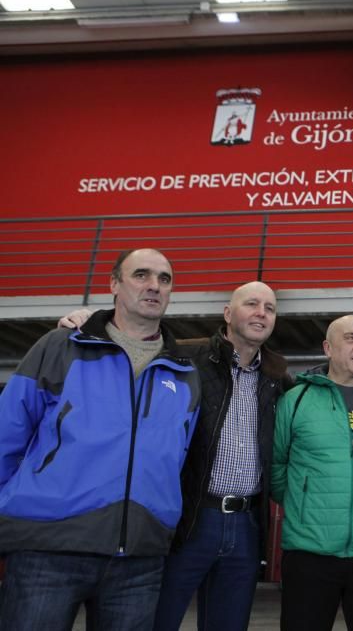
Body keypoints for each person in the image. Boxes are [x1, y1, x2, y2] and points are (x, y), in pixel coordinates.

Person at [57, 282, 292, 631]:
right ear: (228, 314)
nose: (261, 313)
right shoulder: (183, 357)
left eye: (270, 308)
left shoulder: (278, 380)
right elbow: (132, 346)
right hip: (189, 519)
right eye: (252, 304)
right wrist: (89, 320)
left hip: (246, 524)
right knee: (157, 621)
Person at [0, 249, 200, 630]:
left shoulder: (185, 372)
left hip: (140, 561)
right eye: (141, 275)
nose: (154, 286)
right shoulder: (60, 347)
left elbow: (181, 456)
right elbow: (7, 433)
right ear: (113, 284)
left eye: (165, 279)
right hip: (48, 549)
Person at [272, 314, 353, 631]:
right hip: (308, 556)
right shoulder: (295, 401)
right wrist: (303, 507)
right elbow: (277, 467)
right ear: (328, 348)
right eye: (350, 338)